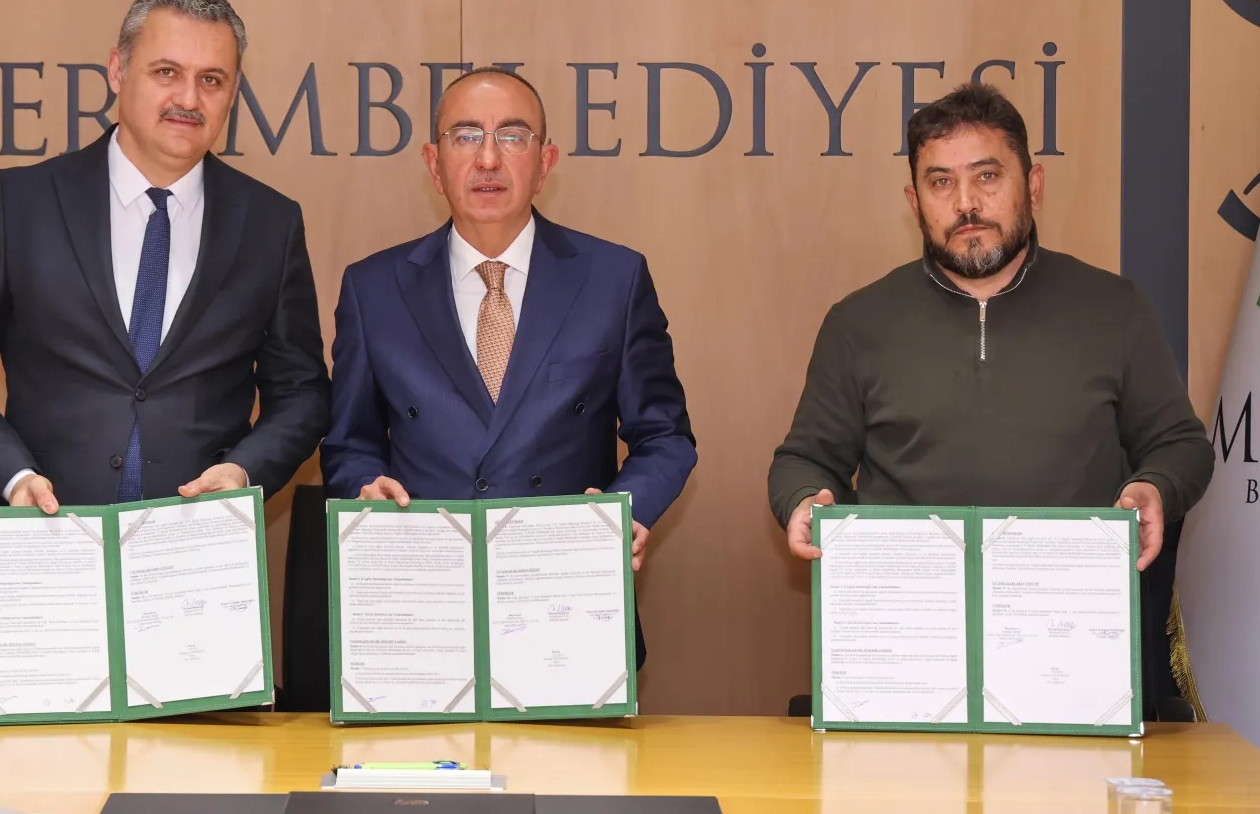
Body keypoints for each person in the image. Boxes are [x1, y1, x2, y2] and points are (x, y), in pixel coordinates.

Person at [0, 0, 331, 510]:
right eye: (166, 72)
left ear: (233, 92)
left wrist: (245, 471)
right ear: (117, 70)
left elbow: (301, 391)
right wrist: (12, 477)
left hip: (201, 539)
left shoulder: (271, 223)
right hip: (50, 530)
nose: (188, 99)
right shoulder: (20, 204)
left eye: (211, 80)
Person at [768, 81, 1212, 570]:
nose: (966, 203)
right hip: (911, 603)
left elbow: (1180, 446)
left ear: (1034, 186)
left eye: (987, 176)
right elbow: (804, 462)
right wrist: (805, 498)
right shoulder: (857, 323)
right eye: (941, 182)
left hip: (1069, 601)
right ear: (915, 203)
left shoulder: (1115, 308)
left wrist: (1154, 487)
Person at [320, 67, 698, 578]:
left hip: (564, 581)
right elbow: (349, 442)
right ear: (434, 164)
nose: (488, 159)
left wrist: (626, 509)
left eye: (513, 137)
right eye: (466, 136)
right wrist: (365, 485)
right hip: (429, 584)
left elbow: (665, 436)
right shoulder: (373, 289)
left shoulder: (614, 279)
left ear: (545, 164)